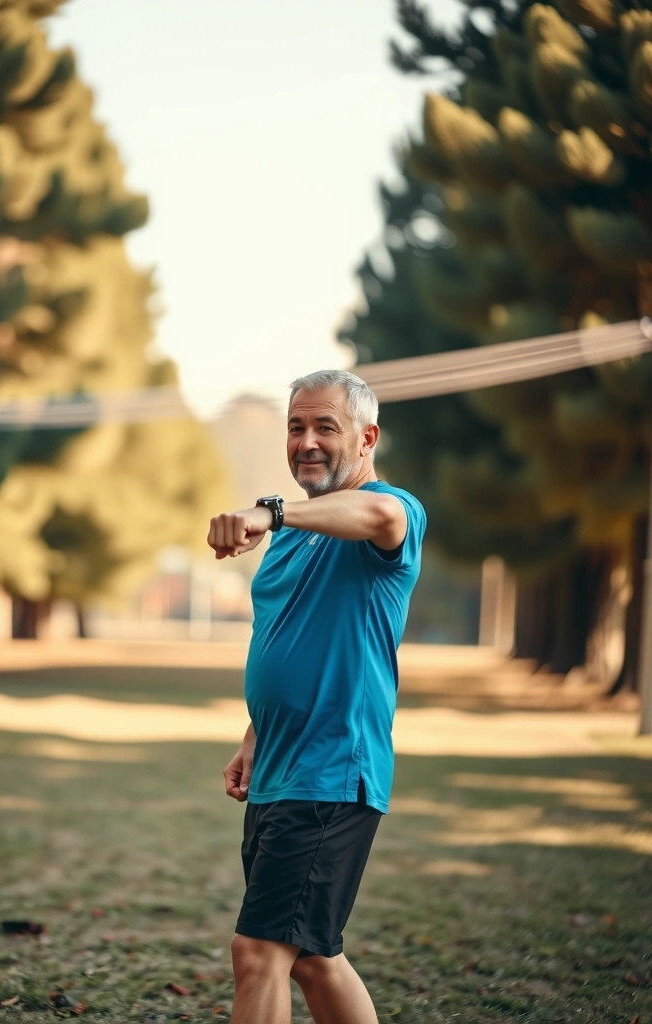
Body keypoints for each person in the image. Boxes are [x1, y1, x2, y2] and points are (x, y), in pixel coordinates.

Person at [206, 369, 426, 1024]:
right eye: (296, 426)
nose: (306, 441)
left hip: (332, 773)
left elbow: (377, 513)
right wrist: (254, 735)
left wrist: (268, 510)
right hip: (281, 767)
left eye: (325, 427)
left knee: (259, 954)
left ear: (366, 437)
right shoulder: (292, 537)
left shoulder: (390, 512)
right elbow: (288, 638)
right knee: (310, 954)